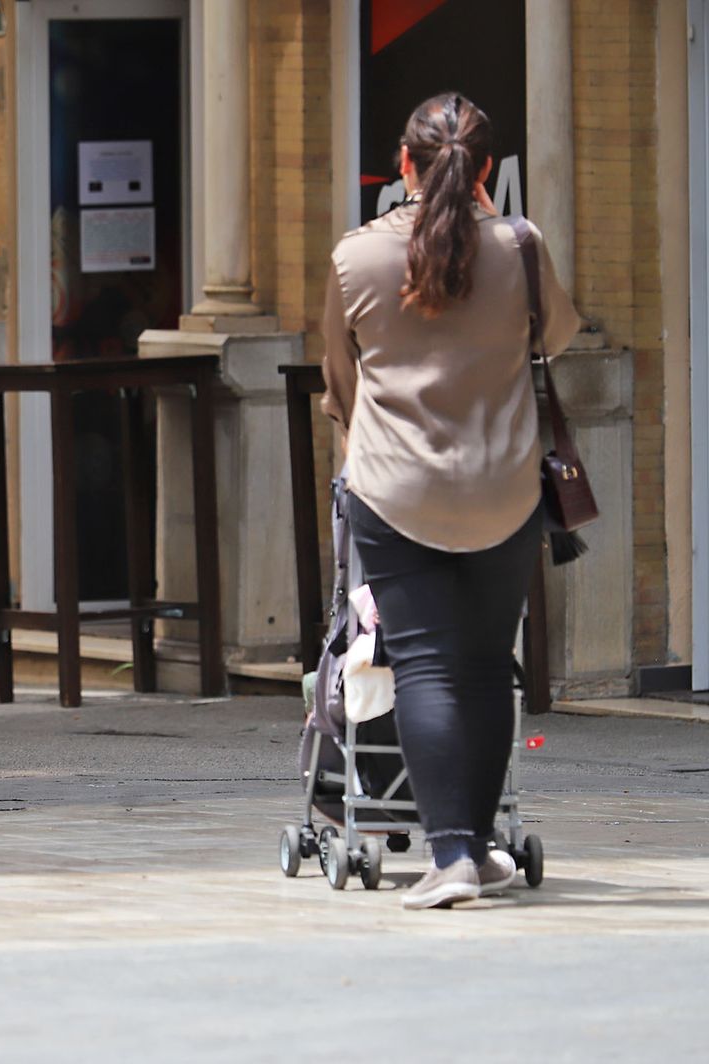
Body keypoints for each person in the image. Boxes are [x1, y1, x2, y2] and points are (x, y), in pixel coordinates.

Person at [320, 94, 579, 909]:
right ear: (488, 171)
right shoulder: (520, 247)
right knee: (482, 666)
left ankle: (452, 856)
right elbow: (559, 336)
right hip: (504, 488)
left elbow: (339, 377)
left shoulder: (356, 259)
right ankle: (479, 846)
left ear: (402, 165)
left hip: (395, 489)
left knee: (425, 665)